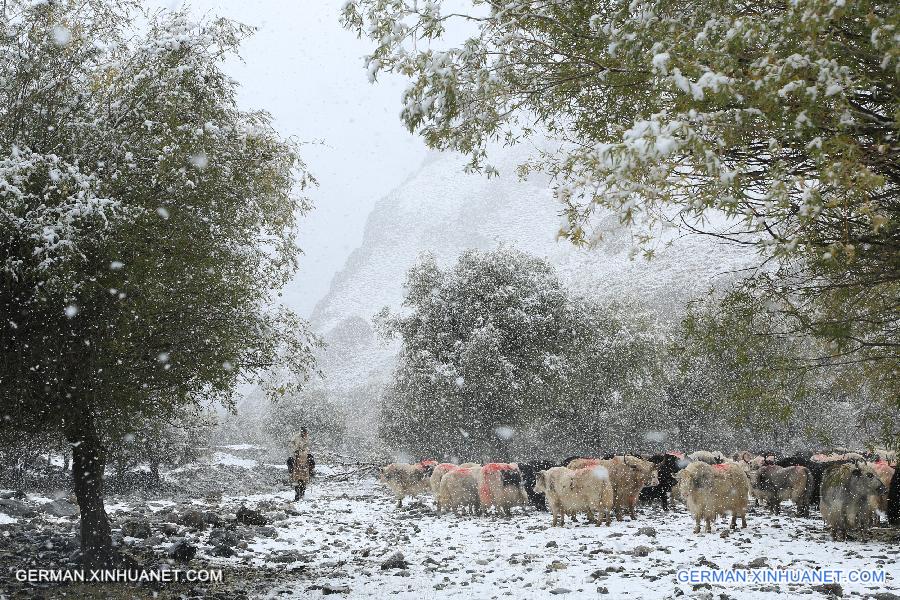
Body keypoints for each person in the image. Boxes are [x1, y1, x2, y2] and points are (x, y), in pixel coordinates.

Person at [288, 427, 311, 501]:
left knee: (304, 479)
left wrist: (305, 452)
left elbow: (307, 446)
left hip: (304, 458)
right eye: (304, 433)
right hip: (297, 458)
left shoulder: (307, 438)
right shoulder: (296, 437)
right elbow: (291, 444)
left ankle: (302, 494)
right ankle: (297, 495)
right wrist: (295, 450)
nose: (305, 434)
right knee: (297, 479)